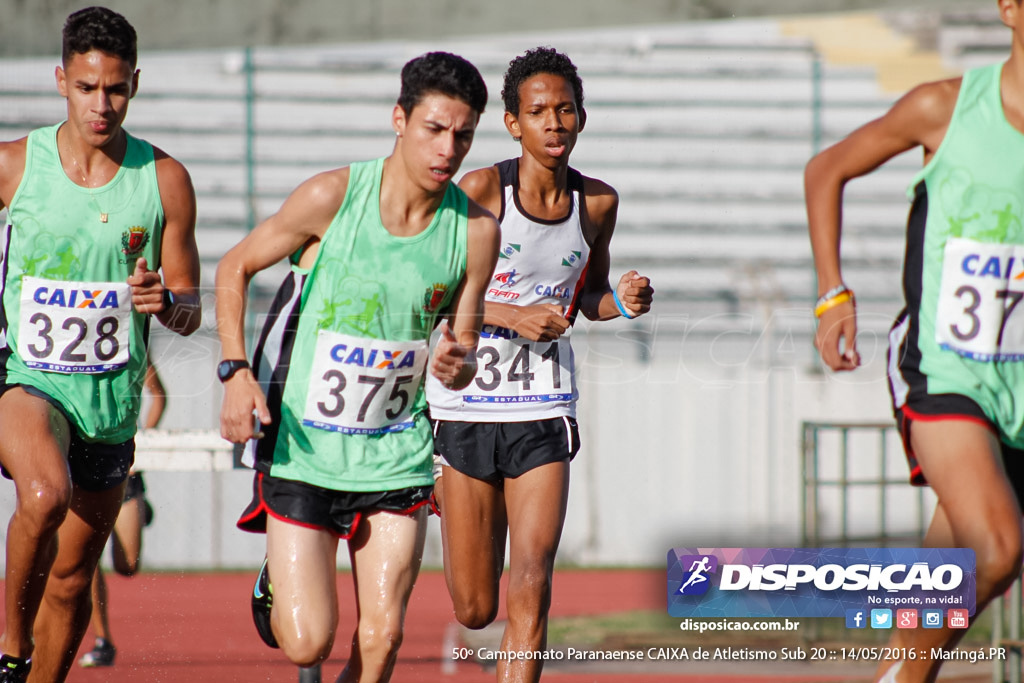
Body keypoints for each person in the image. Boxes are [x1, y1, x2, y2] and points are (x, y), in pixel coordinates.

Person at [216, 51, 499, 682]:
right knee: (307, 644)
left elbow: (464, 356)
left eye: (463, 135)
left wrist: (456, 364)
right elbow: (233, 266)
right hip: (304, 448)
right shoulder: (332, 197)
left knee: (384, 636)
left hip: (396, 448)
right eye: (434, 129)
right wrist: (235, 371)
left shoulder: (476, 231)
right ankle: (277, 576)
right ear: (399, 119)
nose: (448, 149)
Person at [806, 1, 1024, 680]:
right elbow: (826, 170)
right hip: (945, 365)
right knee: (995, 548)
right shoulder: (946, 107)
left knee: (956, 551)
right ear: (1009, 8)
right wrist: (832, 294)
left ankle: (902, 674)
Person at [425, 47, 653, 683]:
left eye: (565, 110)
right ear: (511, 122)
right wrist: (510, 316)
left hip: (543, 407)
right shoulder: (479, 193)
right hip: (464, 404)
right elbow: (435, 296)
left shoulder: (598, 204)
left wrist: (623, 301)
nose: (553, 122)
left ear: (582, 118)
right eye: (538, 112)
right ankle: (448, 499)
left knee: (531, 577)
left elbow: (587, 298)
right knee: (474, 607)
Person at [0, 7, 201, 682]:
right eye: (87, 88)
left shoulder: (164, 179)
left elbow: (189, 307)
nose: (101, 104)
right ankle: (8, 648)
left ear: (134, 84)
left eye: (114, 88)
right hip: (29, 378)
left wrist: (167, 303)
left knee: (73, 578)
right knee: (43, 492)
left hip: (110, 405)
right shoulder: (14, 165)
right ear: (62, 80)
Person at [78, 356, 165, 668]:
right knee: (86, 557)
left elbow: (159, 396)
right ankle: (103, 641)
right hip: (85, 462)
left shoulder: (132, 349)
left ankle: (136, 512)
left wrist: (145, 442)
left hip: (123, 464)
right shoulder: (69, 359)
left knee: (127, 565)